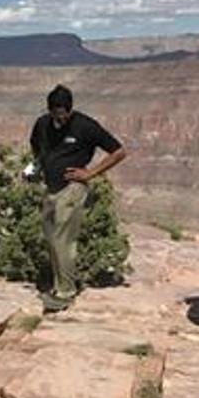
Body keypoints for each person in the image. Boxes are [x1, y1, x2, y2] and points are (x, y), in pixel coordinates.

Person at [28, 84, 127, 312]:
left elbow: (119, 151)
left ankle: (66, 292)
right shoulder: (43, 124)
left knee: (63, 239)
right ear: (50, 109)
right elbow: (36, 146)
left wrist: (90, 173)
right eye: (56, 113)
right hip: (50, 188)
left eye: (64, 114)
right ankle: (58, 284)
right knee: (51, 238)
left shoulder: (85, 126)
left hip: (72, 189)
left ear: (70, 110)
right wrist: (36, 168)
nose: (60, 119)